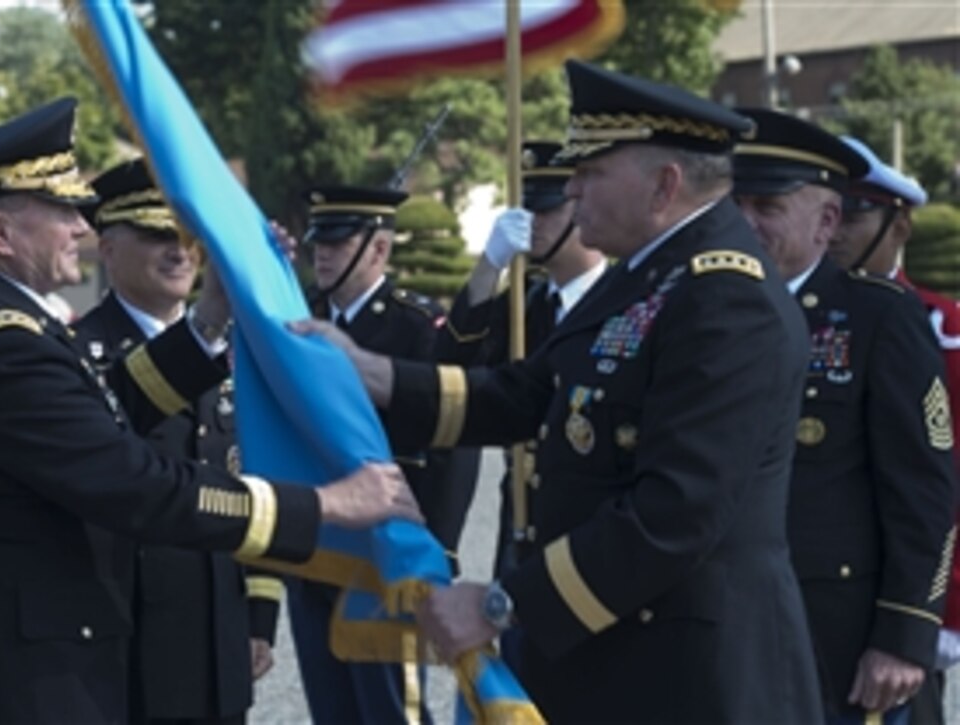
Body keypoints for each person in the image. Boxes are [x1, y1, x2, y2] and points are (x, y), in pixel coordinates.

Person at [294, 60, 824, 723]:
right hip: (613, 655)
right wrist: (368, 370)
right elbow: (523, 393)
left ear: (664, 185)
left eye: (592, 172)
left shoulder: (725, 299)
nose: (572, 190)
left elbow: (675, 511)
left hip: (691, 677)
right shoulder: (646, 279)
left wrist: (502, 603)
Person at [0, 97, 421, 724]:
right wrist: (327, 505)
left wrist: (211, 314)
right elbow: (133, 480)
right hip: (13, 686)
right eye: (63, 211)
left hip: (22, 663)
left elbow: (106, 405)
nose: (83, 227)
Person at [733, 108, 957, 723]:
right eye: (736, 205)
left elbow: (925, 492)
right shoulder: (702, 309)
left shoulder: (879, 318)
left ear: (826, 221)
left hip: (838, 640)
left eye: (767, 206)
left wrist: (904, 634)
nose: (745, 224)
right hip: (723, 630)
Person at [74, 158, 284, 725]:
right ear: (108, 246)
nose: (179, 251)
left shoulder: (233, 353)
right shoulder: (80, 356)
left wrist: (258, 617)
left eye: (189, 238)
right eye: (156, 235)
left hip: (219, 634)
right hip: (129, 642)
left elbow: (255, 479)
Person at [287, 184, 475, 723]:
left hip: (386, 555)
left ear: (379, 250)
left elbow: (453, 450)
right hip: (318, 548)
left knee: (393, 709)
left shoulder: (417, 326)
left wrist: (440, 549)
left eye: (339, 242)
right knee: (332, 706)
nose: (321, 252)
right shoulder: (301, 319)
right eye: (318, 241)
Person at [436, 140, 607, 667]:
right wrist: (488, 270)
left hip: (588, 538)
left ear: (582, 208)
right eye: (525, 208)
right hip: (521, 527)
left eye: (547, 208)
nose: (533, 221)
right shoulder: (526, 305)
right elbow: (454, 370)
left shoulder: (621, 305)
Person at [828, 137, 960, 725]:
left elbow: (940, 485)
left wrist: (936, 612)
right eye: (827, 211)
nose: (834, 230)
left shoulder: (943, 329)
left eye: (854, 214)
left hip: (900, 604)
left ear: (900, 227)